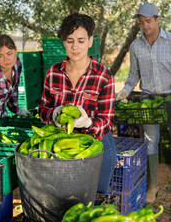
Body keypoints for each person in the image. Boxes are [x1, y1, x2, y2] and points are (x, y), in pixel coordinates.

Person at [116, 3, 171, 203]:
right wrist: (126, 89)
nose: (145, 26)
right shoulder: (136, 46)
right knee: (151, 141)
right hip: (149, 100)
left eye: (149, 22)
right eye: (142, 23)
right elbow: (134, 74)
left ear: (158, 19)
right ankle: (153, 186)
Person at [39, 13, 116, 194]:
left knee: (95, 196)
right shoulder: (53, 73)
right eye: (69, 40)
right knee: (64, 197)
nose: (75, 47)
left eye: (81, 41)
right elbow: (42, 110)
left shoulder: (103, 76)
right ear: (63, 42)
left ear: (90, 41)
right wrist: (53, 114)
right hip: (62, 147)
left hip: (96, 146)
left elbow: (106, 120)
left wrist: (88, 123)